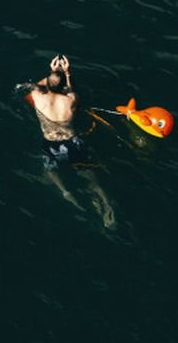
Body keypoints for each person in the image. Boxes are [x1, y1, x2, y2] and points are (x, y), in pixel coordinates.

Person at [25, 55, 115, 228]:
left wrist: (53, 71)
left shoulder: (38, 97)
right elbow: (70, 91)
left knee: (50, 172)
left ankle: (65, 191)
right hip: (73, 143)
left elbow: (39, 85)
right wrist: (66, 72)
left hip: (52, 144)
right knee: (89, 174)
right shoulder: (70, 100)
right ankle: (105, 202)